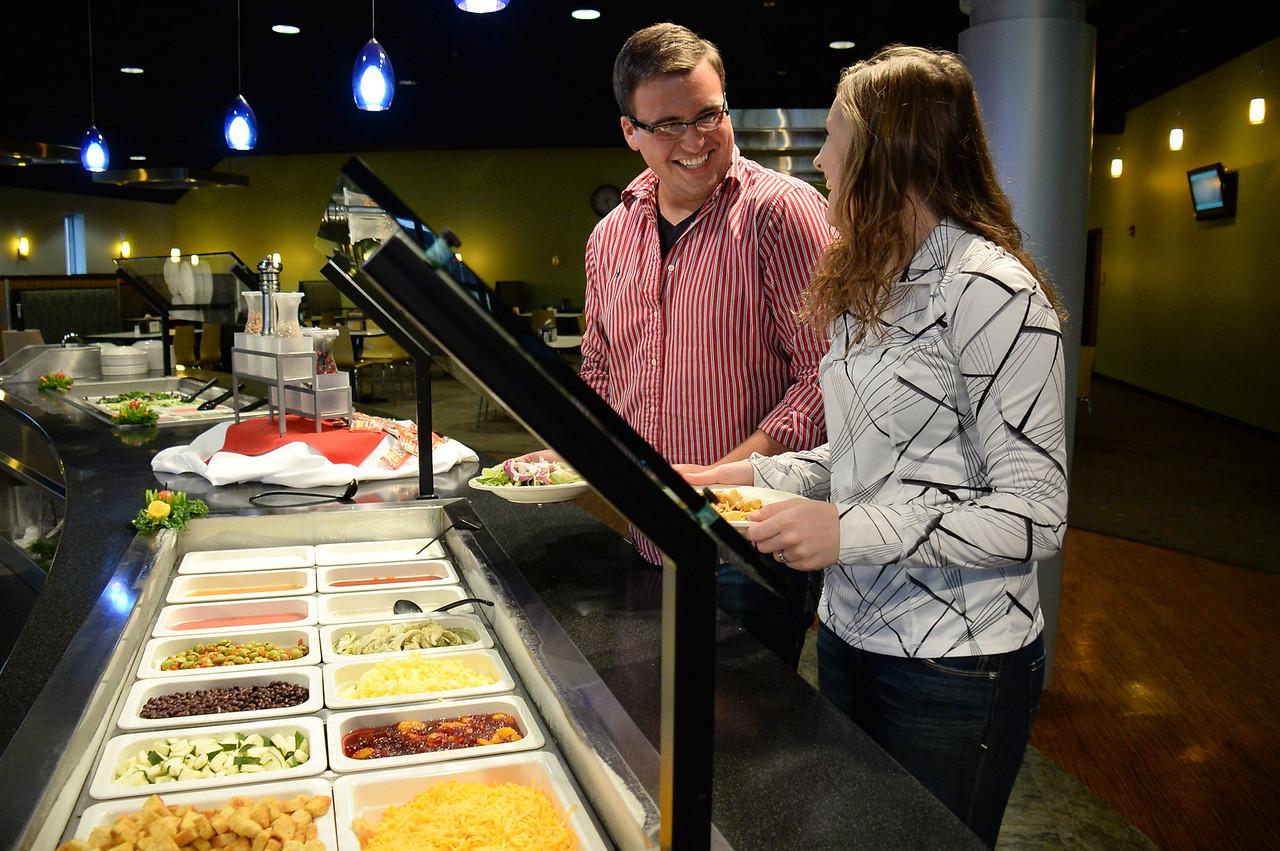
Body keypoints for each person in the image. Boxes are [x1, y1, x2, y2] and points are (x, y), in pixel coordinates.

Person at [683, 46, 1069, 846]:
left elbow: (1036, 513)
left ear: (894, 156)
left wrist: (847, 531)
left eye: (834, 139)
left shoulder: (994, 291)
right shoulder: (866, 286)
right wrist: (734, 474)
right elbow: (856, 462)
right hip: (851, 637)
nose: (819, 160)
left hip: (959, 667)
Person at [526, 23, 832, 667]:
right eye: (667, 124)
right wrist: (560, 452)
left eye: (709, 116)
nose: (694, 141)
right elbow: (603, 370)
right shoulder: (609, 237)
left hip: (750, 546)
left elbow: (826, 377)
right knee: (659, 729)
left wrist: (720, 486)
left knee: (742, 747)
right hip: (645, 536)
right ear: (630, 132)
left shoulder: (783, 213)